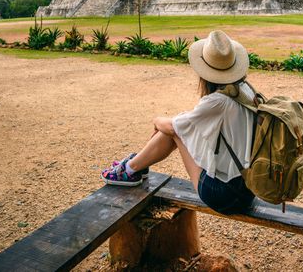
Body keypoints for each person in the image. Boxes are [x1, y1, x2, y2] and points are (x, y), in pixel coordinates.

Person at [101, 30, 256, 215]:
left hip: (225, 196)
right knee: (177, 126)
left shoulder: (217, 102)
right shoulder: (246, 91)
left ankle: (129, 169)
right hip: (248, 189)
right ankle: (134, 166)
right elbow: (191, 122)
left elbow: (175, 127)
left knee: (173, 131)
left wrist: (156, 120)